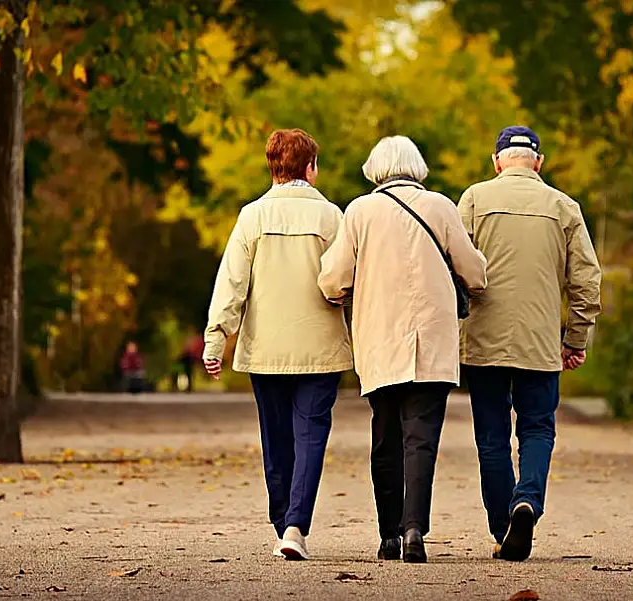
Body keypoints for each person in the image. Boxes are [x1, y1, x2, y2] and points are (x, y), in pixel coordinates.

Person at [318, 136, 488, 563]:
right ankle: (415, 528)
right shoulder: (441, 206)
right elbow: (475, 273)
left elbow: (334, 277)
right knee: (421, 439)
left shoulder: (359, 211)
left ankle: (388, 535)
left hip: (380, 340)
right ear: (418, 167)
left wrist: (345, 293)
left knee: (385, 436)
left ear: (374, 169)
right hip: (431, 340)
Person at [202, 128, 353, 561]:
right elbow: (345, 281)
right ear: (310, 167)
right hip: (320, 347)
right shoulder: (332, 217)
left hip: (265, 348)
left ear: (272, 167)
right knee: (310, 437)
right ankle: (294, 525)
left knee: (276, 439)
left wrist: (217, 340)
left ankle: (281, 517)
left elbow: (231, 283)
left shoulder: (251, 216)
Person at [457, 126, 602, 561]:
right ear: (539, 162)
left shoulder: (474, 200)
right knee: (537, 428)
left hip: (483, 343)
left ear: (497, 160)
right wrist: (575, 338)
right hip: (541, 344)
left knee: (492, 437)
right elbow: (587, 280)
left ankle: (504, 526)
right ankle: (528, 501)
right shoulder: (563, 207)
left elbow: (454, 267)